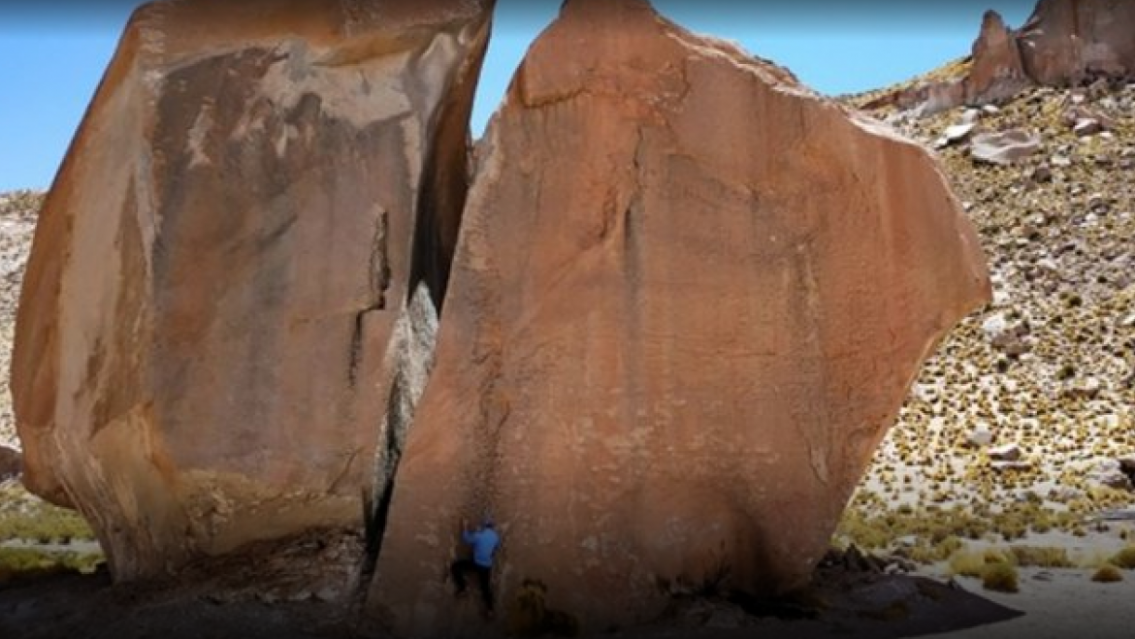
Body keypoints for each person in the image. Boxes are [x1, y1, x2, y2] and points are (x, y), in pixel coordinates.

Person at [450, 516, 500, 617]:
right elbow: (495, 548)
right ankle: (490, 610)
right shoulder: (496, 537)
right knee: (485, 587)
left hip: (476, 563)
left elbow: (466, 539)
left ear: (484, 525)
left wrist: (464, 526)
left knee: (455, 567)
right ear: (492, 526)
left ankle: (463, 588)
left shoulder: (479, 535)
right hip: (487, 566)